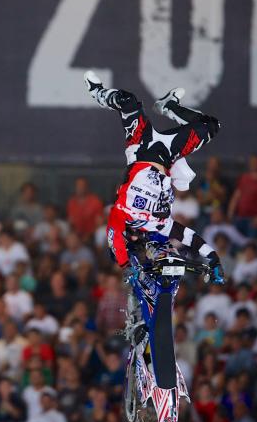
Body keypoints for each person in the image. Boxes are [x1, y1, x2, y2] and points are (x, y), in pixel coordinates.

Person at [84, 73, 223, 280]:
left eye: (131, 236)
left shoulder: (122, 212)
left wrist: (124, 265)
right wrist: (213, 257)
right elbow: (188, 236)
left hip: (140, 146)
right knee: (211, 125)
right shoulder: (159, 224)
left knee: (127, 101)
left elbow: (114, 235)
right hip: (167, 154)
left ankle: (97, 92)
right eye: (136, 238)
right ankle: (169, 106)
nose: (134, 235)